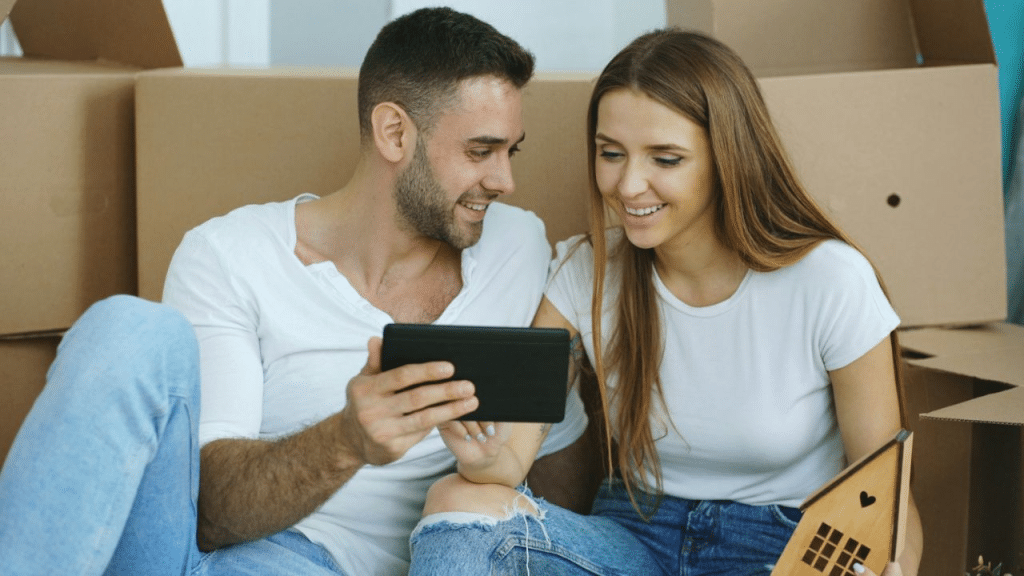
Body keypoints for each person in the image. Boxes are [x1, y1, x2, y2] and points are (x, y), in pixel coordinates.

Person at [0, 7, 588, 575]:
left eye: (512, 151)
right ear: (393, 133)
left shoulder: (520, 247)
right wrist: (346, 440)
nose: (505, 180)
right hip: (220, 554)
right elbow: (206, 513)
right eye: (480, 152)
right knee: (129, 326)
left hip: (392, 558)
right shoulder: (230, 254)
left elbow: (554, 463)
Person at [407, 29, 924, 576]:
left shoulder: (830, 281)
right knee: (455, 502)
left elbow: (885, 493)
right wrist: (487, 459)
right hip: (632, 539)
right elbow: (511, 459)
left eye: (666, 159)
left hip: (778, 546)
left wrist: (897, 568)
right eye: (611, 154)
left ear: (728, 158)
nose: (629, 185)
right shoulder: (588, 272)